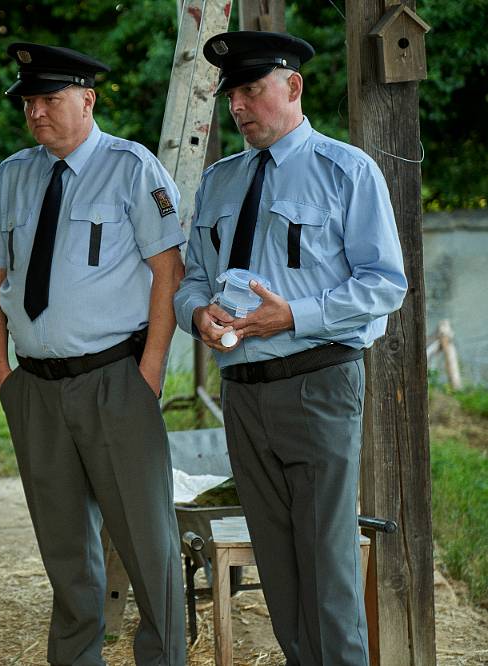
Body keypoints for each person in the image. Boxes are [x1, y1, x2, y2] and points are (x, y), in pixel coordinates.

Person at [173, 31, 408, 665]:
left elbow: (385, 284)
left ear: (293, 86)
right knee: (276, 565)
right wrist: (196, 313)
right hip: (243, 395)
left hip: (318, 385)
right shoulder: (222, 182)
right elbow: (193, 275)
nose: (240, 107)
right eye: (233, 96)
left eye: (252, 90)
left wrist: (294, 317)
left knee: (326, 564)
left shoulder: (346, 170)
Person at [0, 42, 186, 665]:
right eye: (29, 101)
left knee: (148, 546)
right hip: (36, 388)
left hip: (115, 380)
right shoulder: (15, 174)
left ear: (87, 99)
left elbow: (168, 273)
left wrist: (149, 374)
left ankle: (165, 657)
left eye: (49, 99)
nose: (36, 112)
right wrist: (4, 374)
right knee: (65, 551)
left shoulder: (132, 167)